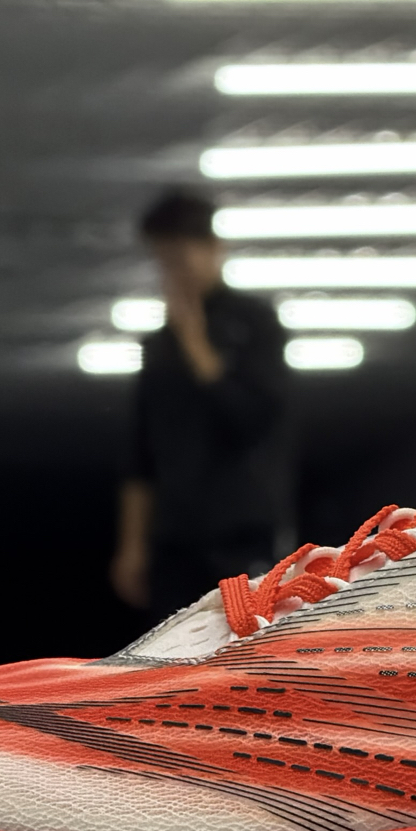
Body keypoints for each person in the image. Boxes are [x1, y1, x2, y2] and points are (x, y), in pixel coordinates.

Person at [110, 188, 289, 623]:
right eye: (163, 262)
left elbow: (255, 421)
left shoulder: (257, 324)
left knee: (240, 643)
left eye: (179, 259)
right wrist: (132, 545)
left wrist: (197, 346)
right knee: (173, 647)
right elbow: (141, 453)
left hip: (242, 530)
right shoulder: (158, 345)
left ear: (212, 248)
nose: (172, 274)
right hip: (174, 536)